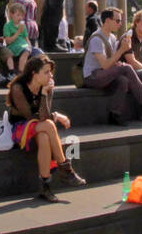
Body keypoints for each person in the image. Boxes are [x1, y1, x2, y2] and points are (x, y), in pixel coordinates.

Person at [6, 55, 86, 201]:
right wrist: (56, 115)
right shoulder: (18, 88)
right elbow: (31, 117)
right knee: (48, 125)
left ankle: (45, 187)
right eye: (46, 72)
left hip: (39, 127)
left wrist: (45, 94)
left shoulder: (47, 86)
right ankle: (65, 168)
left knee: (44, 137)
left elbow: (44, 115)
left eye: (51, 72)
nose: (50, 75)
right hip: (20, 128)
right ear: (34, 74)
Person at [82, 7, 142, 125]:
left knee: (123, 81)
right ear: (107, 21)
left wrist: (118, 61)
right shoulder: (97, 38)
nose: (120, 24)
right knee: (126, 68)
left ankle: (114, 114)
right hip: (92, 77)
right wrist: (122, 50)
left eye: (120, 21)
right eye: (117, 21)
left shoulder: (112, 37)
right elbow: (106, 65)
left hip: (104, 74)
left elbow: (111, 62)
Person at [3, 1, 35, 76]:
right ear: (11, 14)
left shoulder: (23, 26)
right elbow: (8, 41)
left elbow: (27, 39)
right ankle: (21, 73)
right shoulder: (7, 26)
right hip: (14, 46)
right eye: (18, 15)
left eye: (22, 15)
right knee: (26, 51)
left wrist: (29, 46)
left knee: (38, 53)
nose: (20, 17)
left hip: (24, 45)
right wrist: (18, 32)